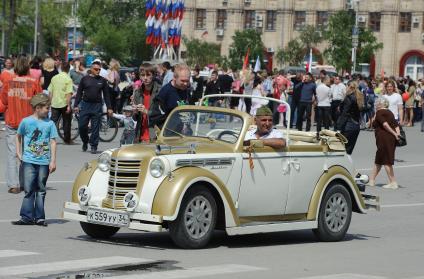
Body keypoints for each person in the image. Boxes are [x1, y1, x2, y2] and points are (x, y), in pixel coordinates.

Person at [12, 94, 58, 226]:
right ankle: (26, 217)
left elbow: (53, 142)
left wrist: (53, 161)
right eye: (46, 108)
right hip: (28, 161)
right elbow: (18, 136)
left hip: (44, 162)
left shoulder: (50, 123)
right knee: (28, 189)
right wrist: (18, 153)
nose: (48, 110)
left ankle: (39, 218)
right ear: (38, 108)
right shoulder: (26, 122)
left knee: (41, 189)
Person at [0, 56, 42, 194]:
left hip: (12, 121)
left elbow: (4, 101)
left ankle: (13, 185)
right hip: (30, 122)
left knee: (13, 153)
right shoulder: (34, 82)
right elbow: (40, 102)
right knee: (28, 152)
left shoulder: (8, 82)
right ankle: (27, 183)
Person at [73, 61, 113, 154]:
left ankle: (94, 146)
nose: (98, 71)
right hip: (85, 105)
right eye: (96, 69)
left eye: (99, 69)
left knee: (95, 127)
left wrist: (109, 108)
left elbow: (106, 95)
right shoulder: (85, 79)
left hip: (97, 106)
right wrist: (76, 105)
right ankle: (85, 141)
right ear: (91, 69)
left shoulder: (102, 81)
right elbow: (79, 93)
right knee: (82, 126)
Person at [369, 97, 400, 189]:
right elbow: (396, 125)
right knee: (379, 159)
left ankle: (393, 182)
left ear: (380, 104)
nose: (376, 105)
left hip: (383, 138)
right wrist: (397, 135)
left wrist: (394, 133)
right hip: (390, 139)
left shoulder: (379, 112)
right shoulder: (390, 112)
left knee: (386, 160)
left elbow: (385, 124)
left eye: (377, 103)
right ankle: (371, 180)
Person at [150, 64, 190, 128]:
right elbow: (156, 117)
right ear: (174, 77)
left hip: (184, 132)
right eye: (182, 81)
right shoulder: (165, 92)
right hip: (169, 133)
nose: (185, 84)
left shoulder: (186, 90)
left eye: (187, 81)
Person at [132, 63, 161, 142]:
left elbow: (162, 114)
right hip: (140, 135)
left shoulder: (160, 91)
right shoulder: (138, 92)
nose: (145, 78)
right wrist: (135, 111)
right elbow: (135, 118)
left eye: (148, 75)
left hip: (154, 134)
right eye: (142, 75)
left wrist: (147, 111)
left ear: (154, 75)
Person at [336, 81, 364, 155]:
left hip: (348, 126)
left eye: (346, 86)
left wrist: (338, 128)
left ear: (349, 87)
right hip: (356, 126)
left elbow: (345, 114)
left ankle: (342, 165)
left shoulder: (349, 98)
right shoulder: (359, 97)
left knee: (341, 150)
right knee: (348, 151)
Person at [48, 62, 73, 144]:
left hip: (55, 103)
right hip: (64, 103)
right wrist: (69, 105)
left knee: (52, 121)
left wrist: (49, 103)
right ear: (68, 69)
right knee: (66, 122)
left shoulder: (54, 78)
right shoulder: (68, 79)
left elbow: (50, 92)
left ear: (61, 68)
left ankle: (47, 137)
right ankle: (67, 139)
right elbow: (68, 93)